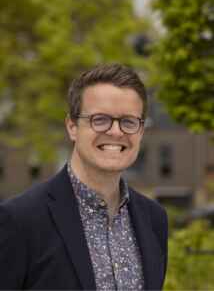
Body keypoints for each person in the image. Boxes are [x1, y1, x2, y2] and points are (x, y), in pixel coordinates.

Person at [0, 64, 168, 290]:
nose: (116, 132)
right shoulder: (20, 220)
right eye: (100, 119)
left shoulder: (154, 219)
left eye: (128, 121)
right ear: (72, 127)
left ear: (141, 131)